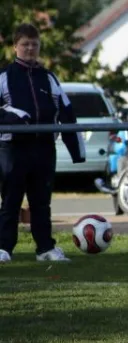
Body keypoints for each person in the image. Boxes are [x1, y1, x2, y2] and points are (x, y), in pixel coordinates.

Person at [0, 23, 86, 263]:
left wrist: (76, 151)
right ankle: (4, 248)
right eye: (25, 44)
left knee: (41, 203)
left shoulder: (48, 78)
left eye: (34, 44)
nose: (30, 48)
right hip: (13, 149)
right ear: (15, 46)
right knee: (10, 201)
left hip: (44, 149)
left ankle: (45, 248)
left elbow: (67, 113)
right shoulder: (4, 77)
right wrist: (14, 116)